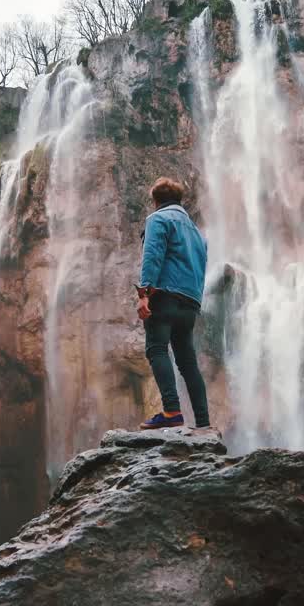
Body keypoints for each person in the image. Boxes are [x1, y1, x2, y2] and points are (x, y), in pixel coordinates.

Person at [135, 177, 212, 432]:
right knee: (187, 361)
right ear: (179, 200)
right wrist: (196, 301)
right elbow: (202, 269)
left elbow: (153, 256)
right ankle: (203, 422)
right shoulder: (197, 233)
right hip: (190, 302)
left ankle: (171, 411)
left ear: (155, 201)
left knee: (156, 349)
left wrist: (144, 294)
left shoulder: (158, 219)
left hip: (165, 295)